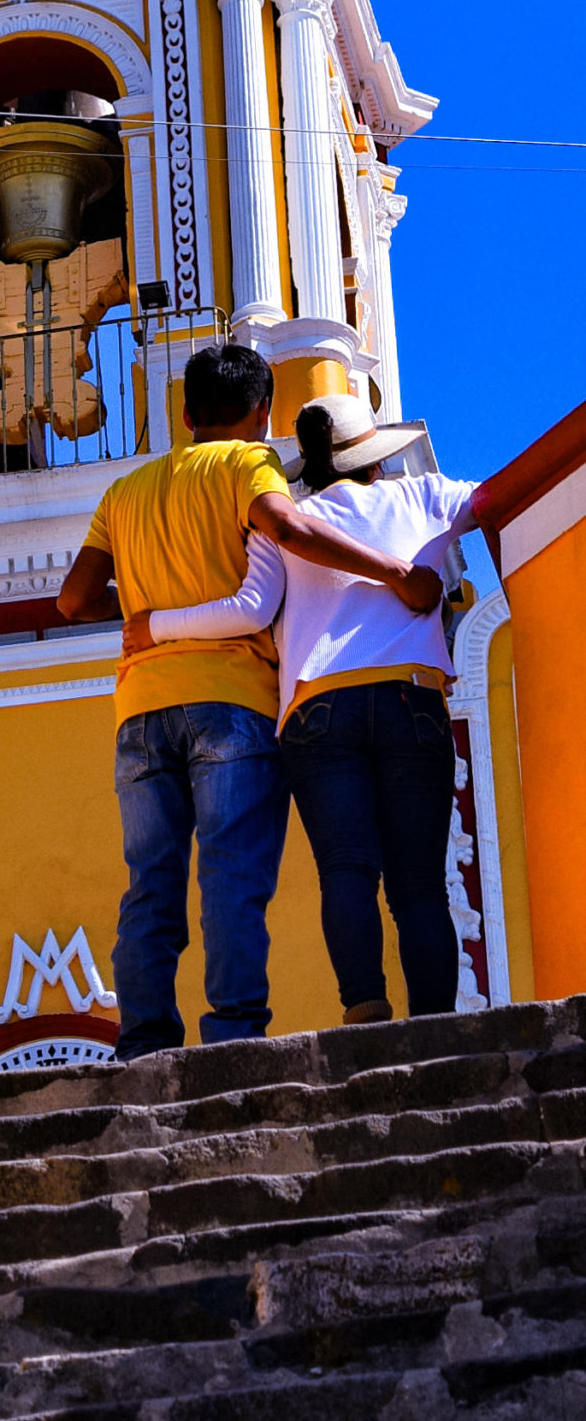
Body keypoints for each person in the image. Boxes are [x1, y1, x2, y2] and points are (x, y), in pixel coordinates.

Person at [58, 345, 416, 1060]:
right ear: (260, 416)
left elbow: (72, 599)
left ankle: (143, 1040)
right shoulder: (245, 465)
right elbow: (287, 530)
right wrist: (392, 572)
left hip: (140, 710)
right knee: (231, 874)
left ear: (185, 414)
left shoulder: (122, 494)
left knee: (149, 886)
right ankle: (230, 1036)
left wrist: (145, 611)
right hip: (230, 705)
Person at [126, 392, 494, 1025]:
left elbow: (251, 607)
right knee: (419, 884)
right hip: (411, 699)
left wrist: (153, 624)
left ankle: (365, 1009)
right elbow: (498, 496)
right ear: (375, 461)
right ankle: (437, 1023)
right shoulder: (424, 498)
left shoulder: (283, 525)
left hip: (317, 710)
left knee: (346, 870)